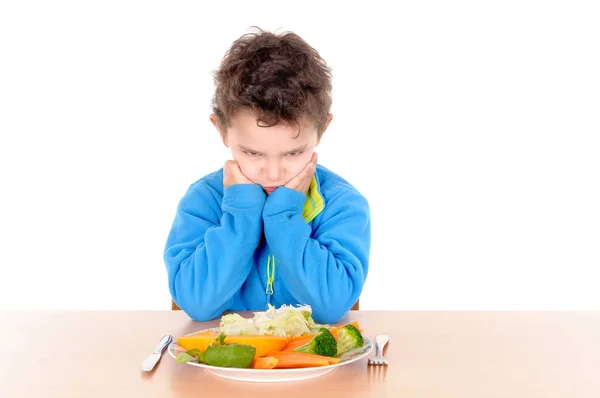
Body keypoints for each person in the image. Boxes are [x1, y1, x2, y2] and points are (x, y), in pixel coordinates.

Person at [164, 27, 370, 324]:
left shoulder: (343, 203)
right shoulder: (203, 200)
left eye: (293, 153)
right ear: (221, 129)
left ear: (322, 129)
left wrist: (284, 216)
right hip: (224, 364)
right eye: (252, 153)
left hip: (313, 366)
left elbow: (330, 307)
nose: (273, 173)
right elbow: (198, 305)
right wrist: (242, 211)